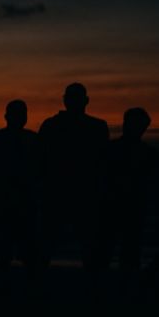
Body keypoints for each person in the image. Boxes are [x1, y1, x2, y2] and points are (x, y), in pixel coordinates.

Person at [38, 83, 108, 275]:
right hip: (73, 194)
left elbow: (40, 161)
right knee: (84, 247)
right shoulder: (97, 128)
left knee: (50, 246)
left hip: (67, 194)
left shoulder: (52, 125)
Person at [97, 108, 159, 286]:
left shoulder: (112, 150)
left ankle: (108, 289)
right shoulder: (146, 153)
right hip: (117, 209)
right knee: (115, 252)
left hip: (126, 209)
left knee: (121, 253)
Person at [0, 100, 41, 287]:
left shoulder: (32, 139)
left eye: (22, 114)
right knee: (6, 249)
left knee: (25, 249)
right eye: (17, 114)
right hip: (8, 200)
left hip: (23, 200)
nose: (20, 118)